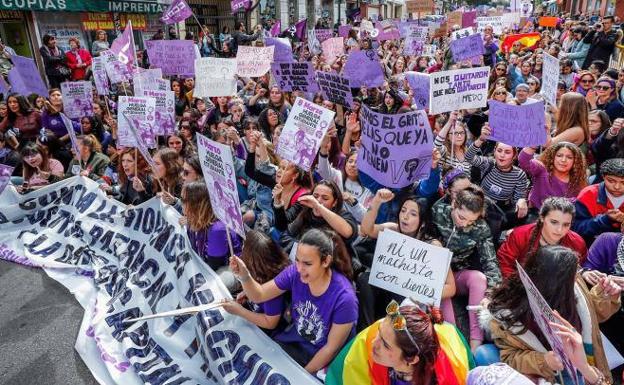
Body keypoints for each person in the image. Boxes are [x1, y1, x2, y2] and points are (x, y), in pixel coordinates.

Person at [229, 228, 358, 373]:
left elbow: (330, 349)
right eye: (297, 260)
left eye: (308, 264)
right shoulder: (294, 272)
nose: (300, 268)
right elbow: (259, 295)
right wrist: (244, 275)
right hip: (292, 342)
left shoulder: (345, 299)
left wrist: (302, 376)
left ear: (326, 261)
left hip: (318, 360)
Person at [488, 245, 621, 384]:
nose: (578, 276)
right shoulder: (509, 314)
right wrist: (544, 361)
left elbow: (593, 315)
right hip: (550, 376)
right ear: (556, 283)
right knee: (484, 354)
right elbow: (510, 357)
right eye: (574, 273)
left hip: (588, 364)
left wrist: (606, 295)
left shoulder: (574, 286)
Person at [326, 302, 473, 385]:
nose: (373, 342)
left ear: (411, 359)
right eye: (379, 331)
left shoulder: (448, 372)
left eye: (385, 344)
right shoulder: (365, 344)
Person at [432, 185, 502, 351]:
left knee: (478, 278)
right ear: (454, 204)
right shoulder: (437, 211)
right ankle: (452, 344)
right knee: (443, 294)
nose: (464, 224)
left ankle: (475, 345)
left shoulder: (480, 228)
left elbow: (490, 261)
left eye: (471, 221)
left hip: (458, 275)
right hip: (435, 275)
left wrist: (491, 293)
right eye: (461, 217)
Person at [497, 197, 587, 278]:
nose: (559, 230)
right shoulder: (520, 235)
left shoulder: (577, 243)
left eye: (566, 225)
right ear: (542, 218)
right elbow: (504, 264)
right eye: (554, 222)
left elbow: (576, 272)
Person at [221, 230, 290, 331]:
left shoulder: (273, 287)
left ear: (252, 260)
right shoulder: (261, 273)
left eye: (244, 247)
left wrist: (240, 311)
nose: (242, 249)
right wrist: (247, 293)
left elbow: (270, 323)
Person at [179, 181, 241, 289]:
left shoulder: (217, 229)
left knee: (208, 289)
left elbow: (213, 265)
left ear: (196, 204)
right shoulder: (193, 219)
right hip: (207, 264)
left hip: (229, 269)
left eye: (183, 200)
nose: (180, 203)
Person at [466, 123, 529, 228]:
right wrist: (481, 139)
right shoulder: (488, 163)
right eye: (499, 150)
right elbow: (468, 157)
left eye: (507, 152)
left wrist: (522, 201)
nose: (502, 155)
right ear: (494, 152)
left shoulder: (519, 175)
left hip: (499, 212)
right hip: (479, 204)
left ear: (514, 156)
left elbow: (518, 199)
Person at [518, 142, 587, 213]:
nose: (563, 160)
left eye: (569, 157)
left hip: (559, 218)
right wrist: (532, 146)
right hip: (535, 212)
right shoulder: (542, 170)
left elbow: (580, 201)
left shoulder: (577, 180)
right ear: (552, 157)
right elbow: (524, 161)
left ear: (575, 161)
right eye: (559, 156)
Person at [573, 158, 624, 244]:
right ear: (603, 177)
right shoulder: (588, 194)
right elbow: (576, 229)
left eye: (623, 182)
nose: (617, 187)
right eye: (611, 181)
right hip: (592, 247)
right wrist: (604, 219)